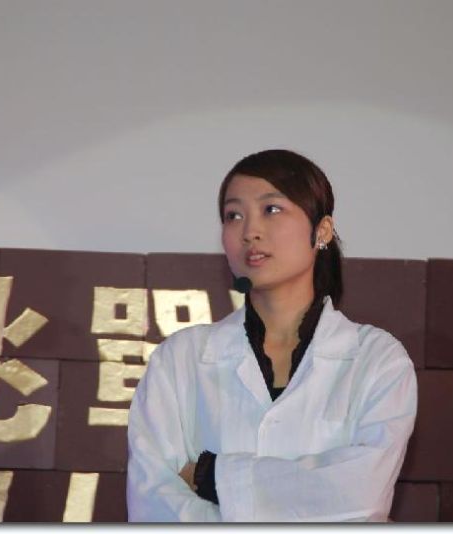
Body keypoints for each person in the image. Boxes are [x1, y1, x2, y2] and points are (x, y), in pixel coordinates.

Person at [126, 149, 417, 522]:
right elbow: (153, 504)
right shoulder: (180, 358)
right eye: (233, 215)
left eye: (272, 209)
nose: (250, 231)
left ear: (322, 231)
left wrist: (210, 475)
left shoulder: (377, 358)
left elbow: (362, 492)